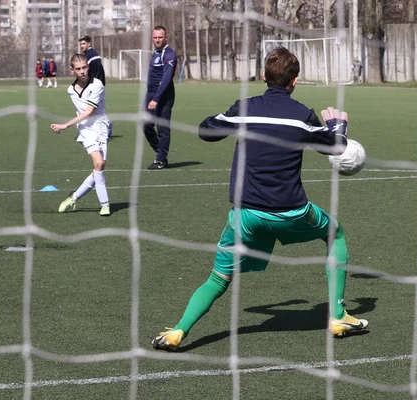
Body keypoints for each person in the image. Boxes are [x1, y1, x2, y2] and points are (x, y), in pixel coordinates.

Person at [152, 47, 368, 351]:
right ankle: (337, 316)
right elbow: (336, 147)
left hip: (247, 216)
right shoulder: (302, 115)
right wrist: (338, 128)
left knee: (218, 279)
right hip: (292, 212)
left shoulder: (245, 108)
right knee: (335, 232)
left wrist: (224, 118)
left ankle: (178, 330)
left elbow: (205, 131)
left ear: (263, 76)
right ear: (295, 82)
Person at [50, 54, 111, 217]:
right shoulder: (71, 90)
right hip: (86, 130)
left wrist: (65, 125)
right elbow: (85, 115)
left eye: (84, 67)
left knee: (99, 167)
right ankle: (105, 205)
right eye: (78, 69)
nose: (82, 71)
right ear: (72, 70)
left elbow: (89, 111)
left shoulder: (97, 84)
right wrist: (69, 125)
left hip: (101, 126)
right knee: (98, 163)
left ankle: (74, 197)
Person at [142, 25, 177, 170]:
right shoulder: (156, 52)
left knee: (163, 129)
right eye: (155, 37)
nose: (157, 40)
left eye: (160, 37)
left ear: (166, 37)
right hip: (151, 94)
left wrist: (155, 99)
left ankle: (160, 160)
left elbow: (166, 78)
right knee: (146, 125)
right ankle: (160, 154)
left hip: (163, 95)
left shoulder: (169, 54)